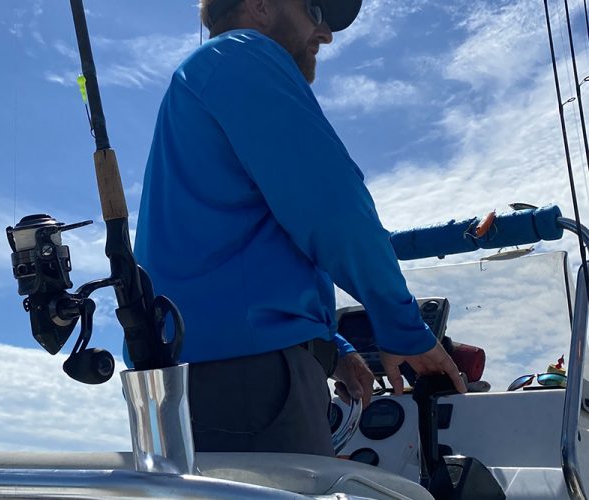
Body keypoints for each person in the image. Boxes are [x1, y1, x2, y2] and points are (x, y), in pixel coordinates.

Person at [133, 0, 467, 456]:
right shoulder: (240, 54)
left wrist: (335, 348)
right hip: (249, 384)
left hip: (200, 381)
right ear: (259, 5)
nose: (325, 33)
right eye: (313, 9)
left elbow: (252, 245)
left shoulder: (204, 77)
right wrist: (402, 327)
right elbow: (334, 208)